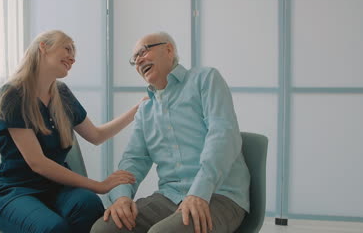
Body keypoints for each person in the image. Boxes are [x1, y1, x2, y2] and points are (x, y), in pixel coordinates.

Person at [0, 30, 145, 233]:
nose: (73, 58)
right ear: (43, 47)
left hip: (57, 189)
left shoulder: (62, 93)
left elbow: (96, 136)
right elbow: (38, 163)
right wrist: (98, 185)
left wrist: (136, 111)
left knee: (90, 206)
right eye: (67, 48)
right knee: (53, 228)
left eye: (74, 53)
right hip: (17, 191)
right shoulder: (13, 94)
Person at [91, 32, 250, 233]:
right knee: (104, 229)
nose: (139, 60)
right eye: (134, 59)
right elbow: (133, 161)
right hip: (170, 196)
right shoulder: (145, 111)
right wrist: (122, 197)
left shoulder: (205, 79)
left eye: (144, 51)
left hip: (218, 194)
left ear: (168, 49)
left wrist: (199, 192)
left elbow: (223, 136)